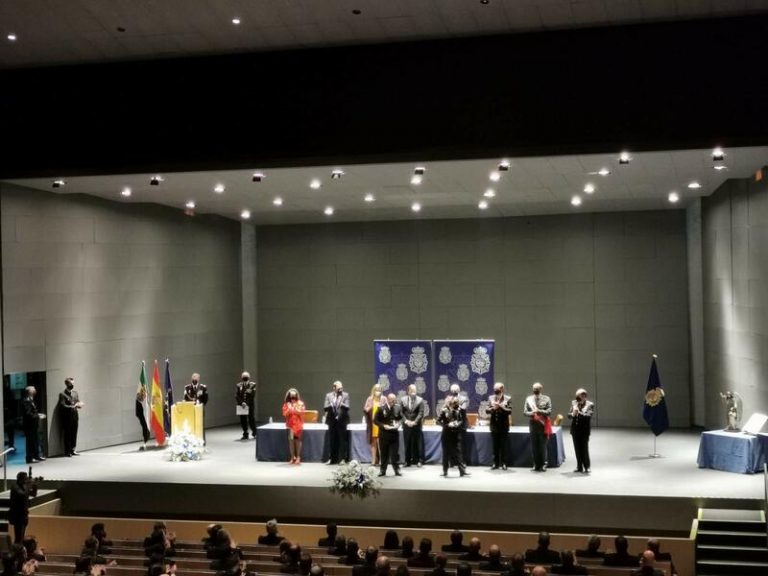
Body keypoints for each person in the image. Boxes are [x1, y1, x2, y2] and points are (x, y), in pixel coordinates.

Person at [437, 395, 469, 477]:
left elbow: (461, 420)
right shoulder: (444, 410)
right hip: (446, 434)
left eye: (452, 402)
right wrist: (447, 425)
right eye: (450, 402)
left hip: (456, 434)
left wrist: (456, 424)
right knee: (445, 453)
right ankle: (445, 471)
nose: (452, 404)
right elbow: (438, 421)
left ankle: (462, 471)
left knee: (458, 453)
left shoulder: (458, 410)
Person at [523, 382, 552, 472]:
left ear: (540, 389)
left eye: (537, 389)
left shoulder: (546, 398)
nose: (535, 390)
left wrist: (539, 411)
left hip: (543, 425)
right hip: (533, 425)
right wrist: (532, 413)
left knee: (543, 446)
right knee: (534, 446)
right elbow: (525, 412)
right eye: (534, 389)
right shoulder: (529, 399)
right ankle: (536, 464)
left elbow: (549, 411)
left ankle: (544, 464)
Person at [374, 393, 403, 477]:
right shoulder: (381, 408)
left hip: (394, 434)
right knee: (384, 454)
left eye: (394, 400)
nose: (393, 402)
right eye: (392, 400)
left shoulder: (398, 408)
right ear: (387, 399)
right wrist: (383, 426)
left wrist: (398, 424)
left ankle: (397, 470)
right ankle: (382, 470)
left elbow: (401, 418)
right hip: (384, 434)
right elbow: (375, 420)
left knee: (395, 454)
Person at [323, 381, 350, 464]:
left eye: (341, 387)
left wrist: (341, 404)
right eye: (338, 388)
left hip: (342, 421)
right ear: (334, 388)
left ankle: (342, 459)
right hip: (332, 421)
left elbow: (347, 406)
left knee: (342, 440)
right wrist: (332, 404)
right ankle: (332, 459)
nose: (340, 389)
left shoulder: (345, 395)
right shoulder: (329, 395)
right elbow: (325, 407)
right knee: (332, 440)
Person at [569, 389, 594, 474]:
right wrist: (572, 414)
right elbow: (569, 415)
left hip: (584, 430)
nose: (578, 399)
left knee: (584, 448)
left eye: (579, 397)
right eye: (577, 397)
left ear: (584, 396)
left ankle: (587, 466)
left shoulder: (590, 404)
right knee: (577, 449)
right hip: (575, 430)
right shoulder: (574, 403)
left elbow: (588, 416)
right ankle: (579, 466)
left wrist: (578, 412)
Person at [488, 382, 512, 470]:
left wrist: (501, 406)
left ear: (502, 389)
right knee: (495, 446)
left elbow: (509, 411)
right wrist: (493, 408)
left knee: (503, 446)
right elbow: (487, 410)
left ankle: (504, 463)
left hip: (503, 426)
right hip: (494, 425)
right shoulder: (491, 398)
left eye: (497, 389)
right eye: (494, 389)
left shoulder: (508, 398)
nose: (495, 390)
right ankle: (495, 463)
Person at [401, 384, 426, 467]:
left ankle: (420, 460)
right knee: (407, 443)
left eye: (414, 391)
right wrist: (406, 421)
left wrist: (415, 422)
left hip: (416, 425)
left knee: (418, 443)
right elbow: (401, 413)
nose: (413, 392)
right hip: (406, 425)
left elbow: (421, 413)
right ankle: (407, 461)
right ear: (408, 391)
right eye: (411, 391)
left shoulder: (420, 400)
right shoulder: (403, 400)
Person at [58, 377, 84, 457]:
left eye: (73, 383)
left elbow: (78, 401)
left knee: (74, 433)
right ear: (67, 384)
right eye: (71, 383)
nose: (73, 385)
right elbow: (62, 405)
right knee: (68, 434)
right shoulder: (62, 394)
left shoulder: (75, 393)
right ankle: (67, 451)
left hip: (75, 416)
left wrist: (80, 404)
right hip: (67, 417)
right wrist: (71, 407)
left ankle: (73, 449)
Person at [9, 472, 37, 543]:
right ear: (20, 479)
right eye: (25, 478)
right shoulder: (15, 486)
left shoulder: (24, 486)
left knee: (21, 537)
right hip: (17, 516)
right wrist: (29, 485)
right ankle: (17, 548)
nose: (26, 480)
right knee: (18, 537)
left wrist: (35, 485)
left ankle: (19, 548)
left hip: (24, 514)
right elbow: (22, 495)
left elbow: (33, 494)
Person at [22, 386, 44, 464]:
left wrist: (38, 415)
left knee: (35, 441)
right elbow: (28, 414)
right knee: (30, 442)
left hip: (34, 425)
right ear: (30, 392)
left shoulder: (31, 400)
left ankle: (36, 456)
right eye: (33, 389)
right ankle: (30, 458)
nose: (35, 390)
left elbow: (33, 412)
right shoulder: (26, 401)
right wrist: (38, 416)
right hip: (29, 426)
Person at [282, 389, 305, 464]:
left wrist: (294, 409)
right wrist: (289, 409)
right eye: (291, 397)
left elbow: (301, 412)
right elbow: (284, 414)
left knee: (297, 441)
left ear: (296, 396)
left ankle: (298, 457)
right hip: (290, 426)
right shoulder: (286, 404)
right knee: (291, 441)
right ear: (289, 397)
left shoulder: (300, 403)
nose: (293, 399)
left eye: (294, 397)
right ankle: (292, 457)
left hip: (298, 426)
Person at [363, 384, 383, 466]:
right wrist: (370, 407)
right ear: (373, 391)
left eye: (379, 390)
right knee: (373, 443)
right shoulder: (370, 399)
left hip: (380, 424)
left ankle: (382, 460)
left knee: (381, 443)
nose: (378, 391)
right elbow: (365, 409)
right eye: (376, 390)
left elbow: (387, 409)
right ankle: (373, 461)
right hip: (372, 425)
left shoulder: (383, 399)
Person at [184, 373, 209, 441]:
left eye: (196, 377)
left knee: (200, 425)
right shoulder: (187, 388)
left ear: (199, 379)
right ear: (191, 378)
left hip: (199, 409)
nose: (194, 379)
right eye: (193, 377)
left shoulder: (203, 387)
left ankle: (202, 440)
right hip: (190, 410)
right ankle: (192, 441)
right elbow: (185, 399)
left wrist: (201, 405)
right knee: (191, 425)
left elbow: (206, 399)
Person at [236, 372, 257, 440]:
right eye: (244, 376)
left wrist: (246, 403)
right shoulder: (238, 385)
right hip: (241, 406)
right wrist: (242, 403)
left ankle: (255, 433)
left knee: (251, 419)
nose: (245, 377)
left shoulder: (252, 385)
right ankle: (245, 434)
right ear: (241, 377)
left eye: (246, 376)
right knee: (243, 420)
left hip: (250, 405)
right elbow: (237, 396)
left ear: (249, 377)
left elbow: (252, 395)